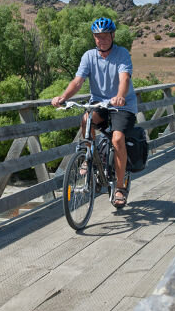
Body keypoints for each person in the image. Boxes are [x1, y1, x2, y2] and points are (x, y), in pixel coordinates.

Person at [51, 17, 137, 208]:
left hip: (122, 105)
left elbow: (124, 78)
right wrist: (63, 97)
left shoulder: (122, 53)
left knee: (117, 139)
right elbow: (78, 81)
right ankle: (90, 158)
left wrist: (120, 96)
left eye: (105, 36)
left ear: (112, 35)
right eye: (98, 36)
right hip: (100, 103)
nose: (101, 40)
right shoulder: (89, 56)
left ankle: (120, 187)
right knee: (86, 120)